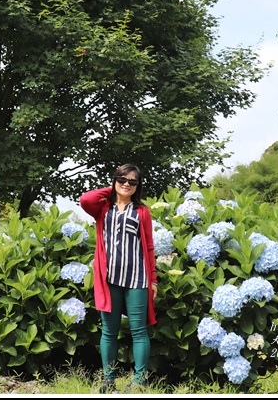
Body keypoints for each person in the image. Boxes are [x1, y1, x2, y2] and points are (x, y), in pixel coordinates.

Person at [79, 163, 158, 394]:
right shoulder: (103, 208)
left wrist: (153, 280)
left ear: (138, 186)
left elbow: (150, 248)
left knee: (138, 331)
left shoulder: (142, 212)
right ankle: (108, 379)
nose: (127, 184)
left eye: (132, 182)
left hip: (137, 279)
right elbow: (86, 199)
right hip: (109, 279)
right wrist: (114, 188)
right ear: (114, 180)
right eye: (122, 179)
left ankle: (139, 381)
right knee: (109, 331)